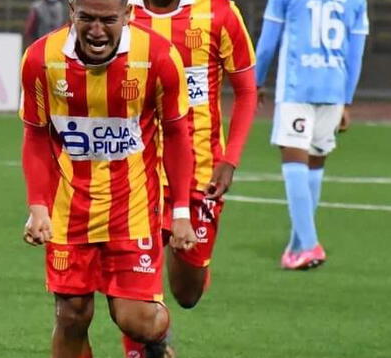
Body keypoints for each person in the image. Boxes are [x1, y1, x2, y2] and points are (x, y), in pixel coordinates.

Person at [19, 0, 198, 357]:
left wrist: (180, 213)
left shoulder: (158, 57)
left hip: (132, 210)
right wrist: (37, 206)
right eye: (86, 18)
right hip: (69, 210)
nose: (96, 31)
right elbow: (36, 135)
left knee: (137, 320)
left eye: (107, 20)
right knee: (71, 315)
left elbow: (177, 135)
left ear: (128, 15)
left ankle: (157, 344)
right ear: (72, 11)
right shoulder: (42, 58)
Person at [123, 0, 258, 356]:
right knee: (135, 282)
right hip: (138, 174)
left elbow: (246, 90)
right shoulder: (123, 12)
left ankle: (181, 285)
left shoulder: (218, 11)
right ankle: (148, 345)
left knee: (187, 293)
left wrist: (230, 160)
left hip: (202, 174)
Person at [255, 0, 369, 270]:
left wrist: (256, 79)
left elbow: (269, 40)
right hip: (333, 88)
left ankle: (309, 245)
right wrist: (347, 100)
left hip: (297, 87)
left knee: (294, 160)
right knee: (315, 163)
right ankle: (297, 248)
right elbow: (356, 52)